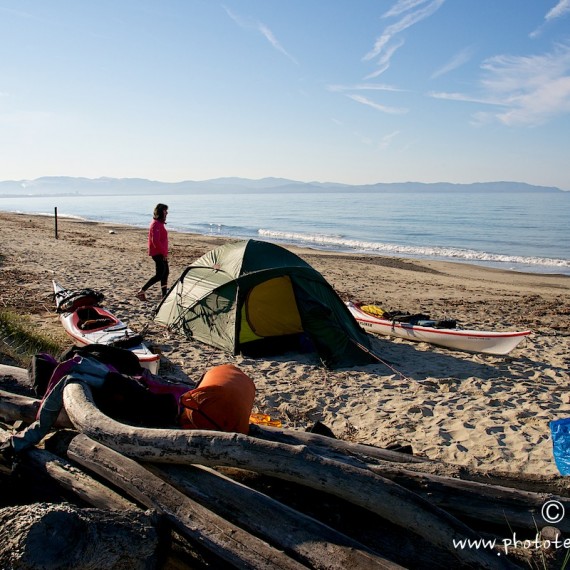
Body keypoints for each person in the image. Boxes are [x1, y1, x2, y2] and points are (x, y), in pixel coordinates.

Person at [136, 203, 169, 300]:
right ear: (160, 212)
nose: (166, 213)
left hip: (161, 252)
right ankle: (141, 291)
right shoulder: (156, 224)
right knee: (159, 274)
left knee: (165, 273)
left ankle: (164, 295)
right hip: (158, 253)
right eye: (165, 211)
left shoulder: (160, 224)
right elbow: (155, 241)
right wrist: (163, 253)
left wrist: (165, 252)